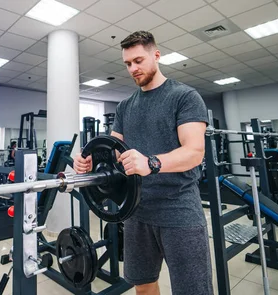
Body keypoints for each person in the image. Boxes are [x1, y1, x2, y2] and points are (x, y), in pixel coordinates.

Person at [73, 31, 212, 295]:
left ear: (156, 55)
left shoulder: (184, 96)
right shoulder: (126, 106)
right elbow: (112, 150)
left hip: (178, 209)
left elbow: (194, 152)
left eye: (138, 61)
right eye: (127, 64)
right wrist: (89, 161)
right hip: (135, 210)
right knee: (143, 284)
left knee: (193, 290)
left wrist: (151, 162)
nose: (133, 69)